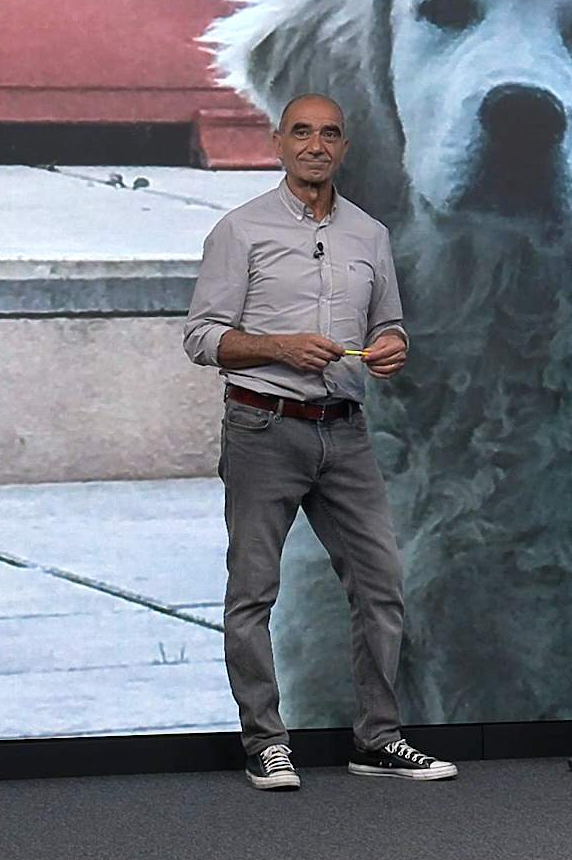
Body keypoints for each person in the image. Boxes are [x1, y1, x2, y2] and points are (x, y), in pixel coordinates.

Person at [183, 93, 457, 790]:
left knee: (382, 587)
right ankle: (266, 742)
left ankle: (377, 738)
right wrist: (278, 347)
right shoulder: (240, 231)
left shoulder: (370, 234)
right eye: (301, 132)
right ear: (278, 142)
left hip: (346, 431)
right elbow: (202, 337)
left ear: (344, 148)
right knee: (253, 594)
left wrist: (393, 346)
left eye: (328, 134)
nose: (315, 145)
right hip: (262, 427)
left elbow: (389, 325)